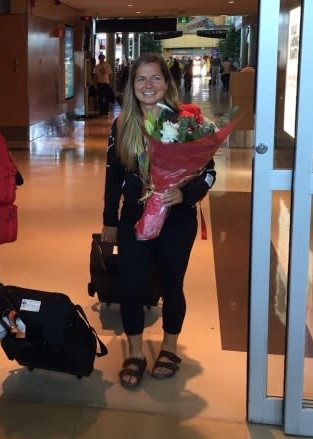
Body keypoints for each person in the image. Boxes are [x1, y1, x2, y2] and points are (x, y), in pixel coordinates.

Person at [101, 53, 216, 389]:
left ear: (167, 83)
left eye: (155, 78)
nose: (148, 85)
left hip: (177, 219)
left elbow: (208, 172)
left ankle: (169, 348)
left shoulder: (187, 123)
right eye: (141, 79)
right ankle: (135, 352)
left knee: (171, 284)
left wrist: (186, 194)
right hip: (134, 219)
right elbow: (113, 175)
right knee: (131, 285)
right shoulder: (123, 124)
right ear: (131, 86)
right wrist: (109, 220)